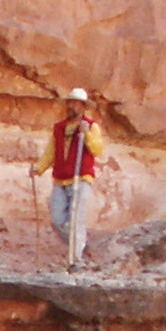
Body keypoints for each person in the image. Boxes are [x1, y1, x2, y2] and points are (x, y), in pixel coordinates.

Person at [30, 88, 106, 269]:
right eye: (70, 102)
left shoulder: (91, 126)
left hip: (81, 179)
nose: (72, 106)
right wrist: (39, 167)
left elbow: (97, 149)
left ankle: (75, 259)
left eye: (76, 103)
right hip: (61, 180)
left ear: (83, 106)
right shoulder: (59, 128)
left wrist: (86, 134)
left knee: (76, 220)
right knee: (57, 220)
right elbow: (51, 152)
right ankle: (80, 245)